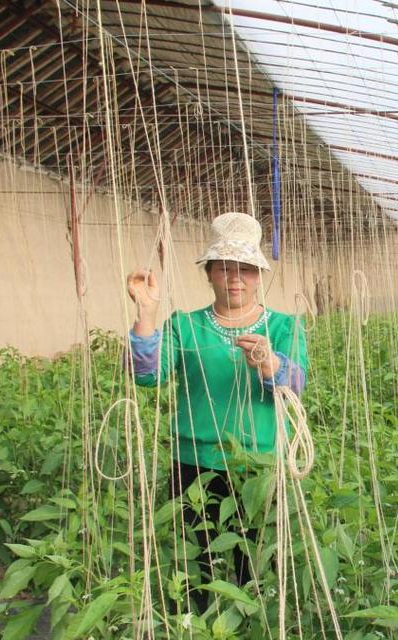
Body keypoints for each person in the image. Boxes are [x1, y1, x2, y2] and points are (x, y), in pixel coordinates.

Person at [126, 211, 306, 609]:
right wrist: (147, 314)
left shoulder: (282, 326)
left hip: (258, 465)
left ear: (259, 274)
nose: (236, 277)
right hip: (193, 463)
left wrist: (268, 362)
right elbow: (147, 375)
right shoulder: (185, 326)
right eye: (225, 268)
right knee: (195, 568)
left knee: (255, 568)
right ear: (209, 273)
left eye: (246, 268)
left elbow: (296, 384)